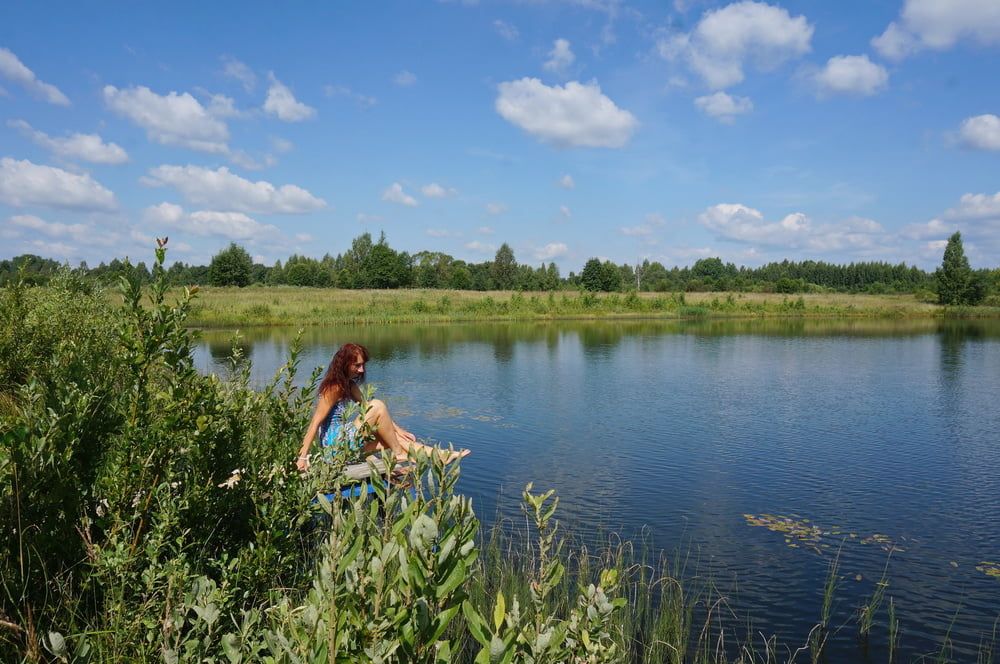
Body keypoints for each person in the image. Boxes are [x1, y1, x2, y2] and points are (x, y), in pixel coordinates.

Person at [296, 342, 470, 472]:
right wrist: (303, 457)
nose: (362, 370)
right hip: (335, 447)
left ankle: (442, 455)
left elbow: (369, 410)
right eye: (357, 365)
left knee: (399, 438)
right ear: (344, 364)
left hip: (345, 443)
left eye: (363, 365)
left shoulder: (348, 385)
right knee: (377, 404)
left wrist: (398, 430)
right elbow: (315, 423)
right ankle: (398, 453)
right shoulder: (333, 387)